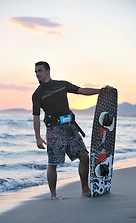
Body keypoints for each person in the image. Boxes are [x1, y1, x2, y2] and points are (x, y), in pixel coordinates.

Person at [32, 61, 109, 200]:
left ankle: (85, 190)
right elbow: (36, 118)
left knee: (85, 157)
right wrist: (38, 137)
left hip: (70, 128)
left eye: (39, 70)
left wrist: (100, 91)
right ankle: (53, 195)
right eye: (36, 71)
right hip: (54, 131)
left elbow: (81, 90)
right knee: (53, 163)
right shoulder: (37, 94)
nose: (37, 74)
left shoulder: (62, 85)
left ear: (47, 71)